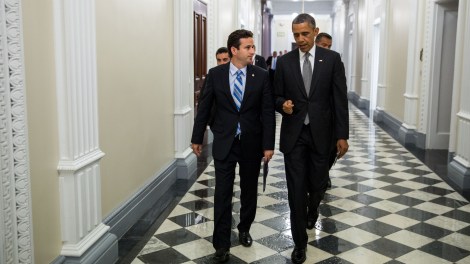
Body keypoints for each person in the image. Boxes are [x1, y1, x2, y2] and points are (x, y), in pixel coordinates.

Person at [191, 29, 275, 263]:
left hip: (251, 142)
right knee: (222, 193)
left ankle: (245, 228)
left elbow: (267, 112)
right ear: (234, 50)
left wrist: (268, 145)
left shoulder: (261, 75)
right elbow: (205, 108)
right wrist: (197, 137)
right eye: (248, 47)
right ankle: (221, 244)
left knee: (249, 191)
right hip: (225, 142)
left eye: (253, 46)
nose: (252, 51)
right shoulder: (216, 74)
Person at [273, 14, 349, 264]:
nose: (300, 39)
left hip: (322, 135)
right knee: (295, 190)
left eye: (305, 34)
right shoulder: (284, 62)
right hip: (295, 135)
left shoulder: (332, 59)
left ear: (315, 32)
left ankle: (313, 208)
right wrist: (281, 104)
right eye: (296, 35)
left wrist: (342, 135)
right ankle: (299, 244)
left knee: (317, 184)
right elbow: (275, 95)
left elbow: (339, 100)